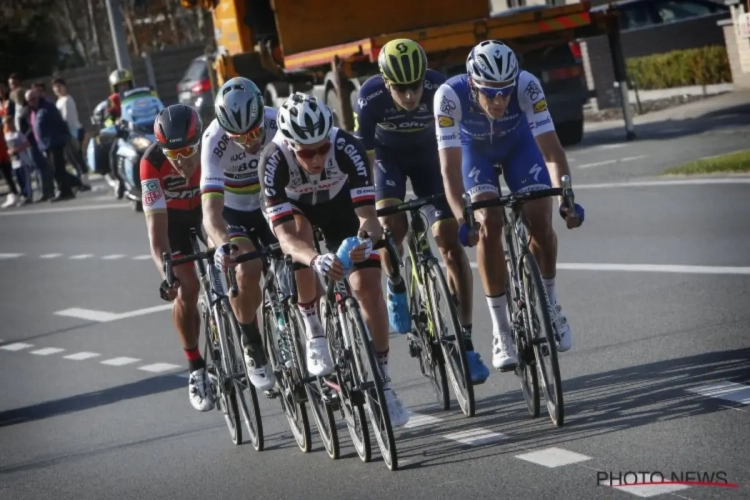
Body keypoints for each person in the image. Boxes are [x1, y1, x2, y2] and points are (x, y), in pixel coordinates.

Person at [259, 92, 410, 427]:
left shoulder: (346, 146)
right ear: (291, 144)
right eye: (307, 152)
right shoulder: (273, 158)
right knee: (301, 232)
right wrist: (315, 260)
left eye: (322, 148)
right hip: (299, 212)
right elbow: (285, 239)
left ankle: (383, 383)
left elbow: (368, 217)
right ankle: (314, 330)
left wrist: (363, 241)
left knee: (368, 287)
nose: (316, 158)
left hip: (341, 206)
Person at [434, 40, 584, 372]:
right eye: (491, 92)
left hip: (519, 147)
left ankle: (550, 303)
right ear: (473, 84)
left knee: (540, 219)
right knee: (489, 224)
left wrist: (566, 200)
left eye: (505, 91)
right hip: (475, 153)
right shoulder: (448, 95)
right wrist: (463, 218)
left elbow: (552, 153)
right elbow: (449, 171)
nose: (500, 100)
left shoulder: (528, 85)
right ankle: (501, 331)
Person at [353, 39, 485, 382]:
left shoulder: (439, 88)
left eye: (414, 87)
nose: (410, 96)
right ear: (386, 83)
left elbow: (460, 146)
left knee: (450, 242)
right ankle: (396, 282)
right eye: (401, 88)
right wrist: (366, 214)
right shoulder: (369, 98)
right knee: (390, 223)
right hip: (387, 161)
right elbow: (363, 164)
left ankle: (466, 341)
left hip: (431, 159)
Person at [200, 76, 279, 391]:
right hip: (232, 210)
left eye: (255, 132)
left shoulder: (277, 121)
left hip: (269, 202)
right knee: (248, 266)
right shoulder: (212, 141)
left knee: (300, 255)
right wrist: (222, 246)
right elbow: (210, 214)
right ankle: (251, 343)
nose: (249, 142)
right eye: (239, 137)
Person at [140, 103, 212, 411]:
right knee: (187, 289)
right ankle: (196, 366)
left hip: (208, 210)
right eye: (174, 155)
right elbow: (157, 237)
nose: (181, 162)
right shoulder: (151, 163)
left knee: (237, 261)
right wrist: (166, 276)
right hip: (173, 222)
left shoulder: (211, 144)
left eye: (187, 152)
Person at [27, 88, 82, 202]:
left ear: (37, 97)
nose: (31, 101)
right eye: (29, 100)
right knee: (55, 169)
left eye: (33, 98)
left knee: (58, 169)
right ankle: (73, 185)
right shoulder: (34, 111)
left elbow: (58, 122)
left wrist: (64, 136)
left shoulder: (47, 107)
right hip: (45, 145)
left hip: (54, 142)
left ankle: (65, 191)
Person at [52, 77, 91, 191]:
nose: (58, 89)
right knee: (72, 159)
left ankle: (85, 182)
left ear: (65, 87)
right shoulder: (58, 101)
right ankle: (79, 181)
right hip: (66, 133)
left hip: (74, 131)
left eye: (60, 86)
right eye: (56, 87)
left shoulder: (68, 99)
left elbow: (67, 119)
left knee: (77, 157)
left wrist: (67, 133)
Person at [4, 115, 33, 203]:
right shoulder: (7, 136)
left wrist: (18, 149)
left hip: (22, 160)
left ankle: (28, 195)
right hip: (14, 162)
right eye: (7, 124)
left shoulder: (18, 134)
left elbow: (27, 143)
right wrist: (9, 152)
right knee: (19, 180)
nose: (9, 125)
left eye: (10, 123)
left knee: (25, 179)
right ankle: (23, 195)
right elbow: (7, 148)